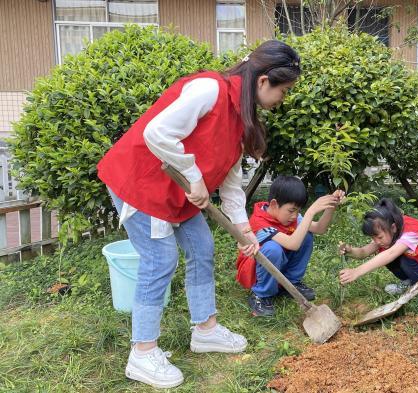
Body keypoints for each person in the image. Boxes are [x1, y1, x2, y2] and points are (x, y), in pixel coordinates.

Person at [96, 40, 301, 388]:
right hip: (142, 182)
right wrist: (194, 177)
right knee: (159, 261)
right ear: (263, 80)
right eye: (283, 90)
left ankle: (205, 330)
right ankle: (142, 353)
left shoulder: (241, 117)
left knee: (202, 249)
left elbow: (232, 185)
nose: (282, 98)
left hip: (178, 193)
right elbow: (156, 132)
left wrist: (245, 232)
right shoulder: (210, 90)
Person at [236, 176, 344, 316]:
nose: (295, 216)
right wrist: (311, 211)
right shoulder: (259, 223)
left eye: (298, 211)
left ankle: (291, 283)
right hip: (254, 273)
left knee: (305, 234)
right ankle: (260, 294)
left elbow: (319, 228)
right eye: (291, 211)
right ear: (274, 204)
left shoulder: (289, 216)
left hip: (278, 267)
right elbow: (293, 245)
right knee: (272, 249)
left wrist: (331, 205)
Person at [338, 198, 418, 304]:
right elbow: (364, 252)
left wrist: (356, 271)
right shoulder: (388, 231)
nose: (377, 241)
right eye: (373, 238)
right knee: (388, 252)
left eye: (379, 237)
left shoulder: (410, 232)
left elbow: (391, 254)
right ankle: (409, 283)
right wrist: (350, 250)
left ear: (393, 227)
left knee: (396, 256)